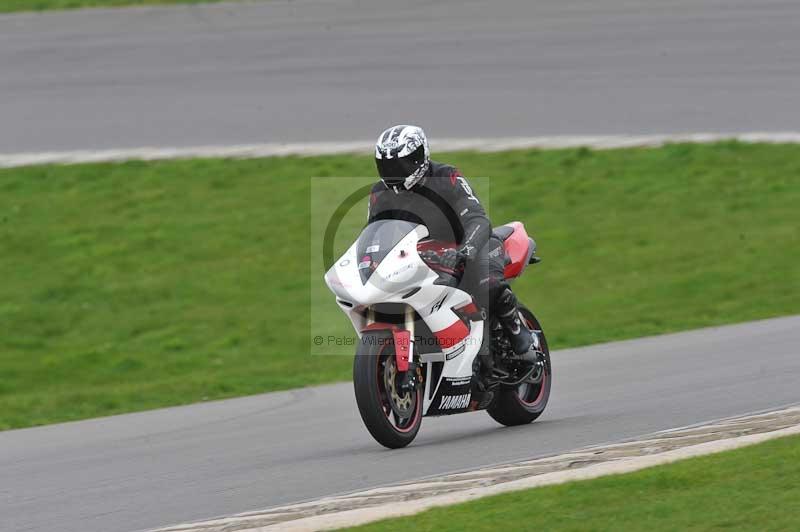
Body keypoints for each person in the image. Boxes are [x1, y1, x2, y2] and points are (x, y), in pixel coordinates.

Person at [368, 124, 536, 361]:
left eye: (401, 165)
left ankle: (521, 336)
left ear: (419, 157)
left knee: (487, 282)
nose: (394, 172)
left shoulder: (447, 177)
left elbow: (478, 218)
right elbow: (375, 234)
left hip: (471, 244)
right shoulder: (380, 194)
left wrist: (465, 251)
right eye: (386, 166)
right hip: (425, 255)